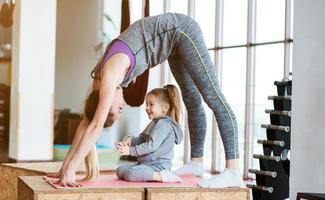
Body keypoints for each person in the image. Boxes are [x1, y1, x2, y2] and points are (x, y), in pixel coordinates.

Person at [50, 12, 242, 188]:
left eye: (119, 110)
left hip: (181, 31)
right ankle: (196, 162)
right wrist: (65, 167)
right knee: (191, 99)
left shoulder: (109, 77)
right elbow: (88, 122)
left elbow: (95, 127)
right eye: (120, 110)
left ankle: (233, 169)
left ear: (107, 102)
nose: (123, 105)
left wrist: (72, 169)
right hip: (172, 45)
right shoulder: (98, 85)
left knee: (212, 96)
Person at [115, 84, 183, 183]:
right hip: (147, 164)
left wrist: (130, 151)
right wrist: (130, 141)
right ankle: (150, 174)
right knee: (120, 171)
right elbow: (142, 139)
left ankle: (162, 176)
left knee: (131, 174)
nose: (147, 108)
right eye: (146, 104)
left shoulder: (164, 124)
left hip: (158, 166)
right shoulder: (154, 122)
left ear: (165, 108)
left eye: (151, 104)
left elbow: (151, 145)